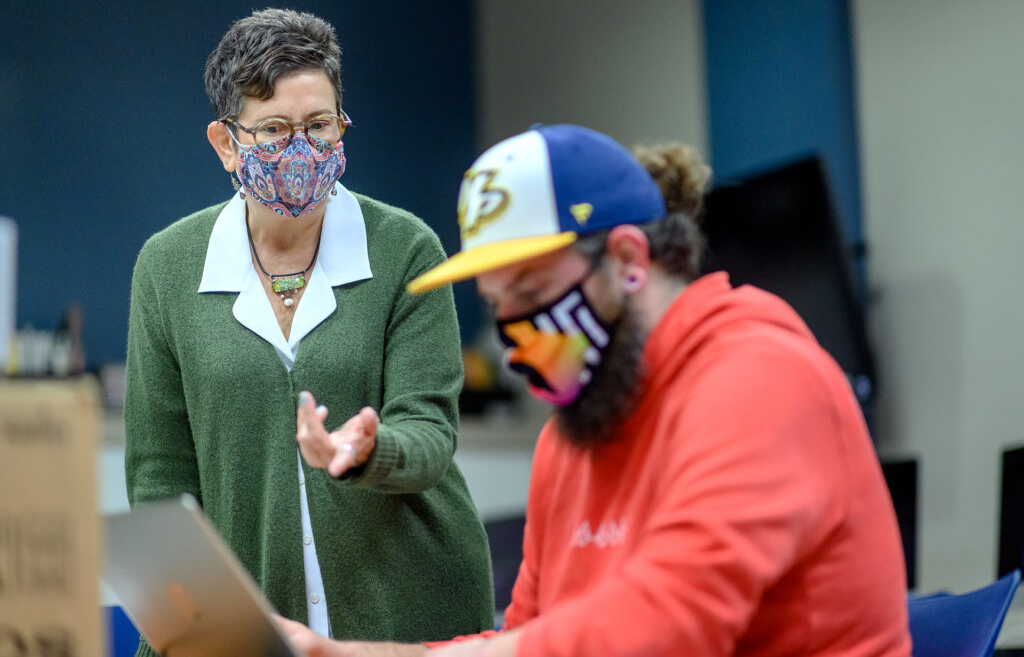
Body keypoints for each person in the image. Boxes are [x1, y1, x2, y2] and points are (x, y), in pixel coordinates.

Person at [280, 125, 912, 655]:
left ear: (630, 260)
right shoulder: (572, 437)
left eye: (531, 292)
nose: (517, 334)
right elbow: (530, 637)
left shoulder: (761, 377)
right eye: (501, 305)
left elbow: (670, 625)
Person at [124, 8, 494, 653]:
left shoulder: (404, 247)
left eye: (320, 125)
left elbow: (432, 433)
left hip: (410, 612)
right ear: (225, 143)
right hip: (255, 622)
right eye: (273, 130)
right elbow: (160, 477)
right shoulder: (169, 265)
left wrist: (369, 451)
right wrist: (182, 632)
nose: (302, 150)